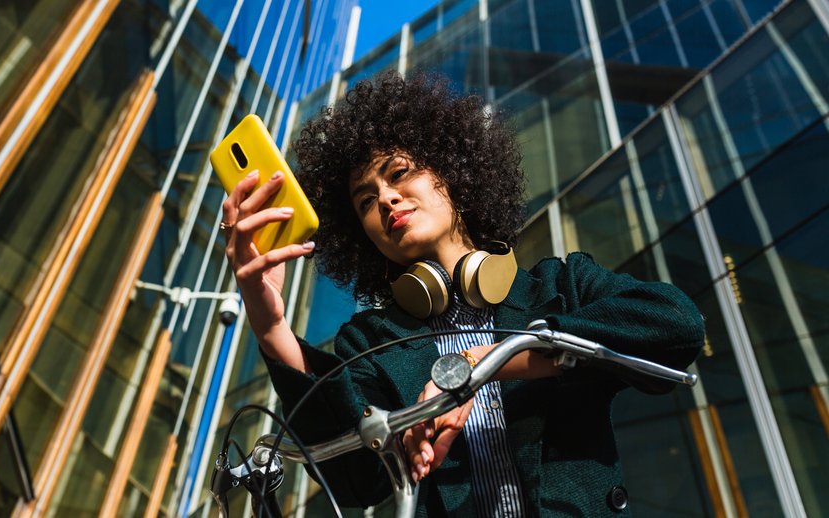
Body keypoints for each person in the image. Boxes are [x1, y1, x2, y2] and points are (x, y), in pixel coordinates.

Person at [221, 70, 704, 516]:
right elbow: (352, 482)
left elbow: (676, 325)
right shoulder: (368, 341)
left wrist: (491, 360)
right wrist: (271, 328)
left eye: (399, 173)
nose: (386, 198)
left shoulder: (560, 286)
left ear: (452, 172)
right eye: (365, 200)